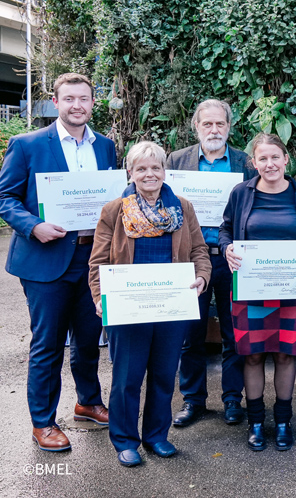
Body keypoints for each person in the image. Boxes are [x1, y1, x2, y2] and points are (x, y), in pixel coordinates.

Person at [0, 73, 115, 451]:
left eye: (84, 99)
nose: (77, 105)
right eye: (69, 99)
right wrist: (34, 226)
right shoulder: (27, 144)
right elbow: (6, 199)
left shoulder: (106, 147)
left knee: (88, 339)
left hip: (93, 257)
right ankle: (43, 422)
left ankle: (88, 401)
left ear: (93, 103)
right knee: (47, 343)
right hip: (45, 258)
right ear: (55, 101)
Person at [88, 141, 211, 467]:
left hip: (172, 307)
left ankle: (156, 436)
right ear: (131, 172)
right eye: (141, 168)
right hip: (128, 309)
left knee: (163, 374)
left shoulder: (182, 208)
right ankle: (125, 441)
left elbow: (199, 250)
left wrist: (201, 276)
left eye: (155, 167)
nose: (149, 174)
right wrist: (101, 297)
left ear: (164, 171)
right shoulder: (114, 210)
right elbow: (98, 261)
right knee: (127, 378)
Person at [220, 133, 296, 452]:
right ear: (254, 163)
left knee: (285, 355)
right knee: (252, 356)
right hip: (250, 290)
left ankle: (282, 422)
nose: (269, 164)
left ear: (286, 159)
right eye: (262, 158)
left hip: (291, 291)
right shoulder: (241, 193)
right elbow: (225, 228)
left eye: (275, 157)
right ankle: (255, 424)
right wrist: (226, 249)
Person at [167, 99, 257, 429]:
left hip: (233, 259)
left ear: (229, 127)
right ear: (196, 127)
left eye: (220, 124)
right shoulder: (177, 161)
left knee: (236, 334)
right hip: (191, 259)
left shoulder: (245, 163)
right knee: (190, 334)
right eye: (207, 124)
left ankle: (233, 399)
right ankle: (193, 401)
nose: (214, 130)